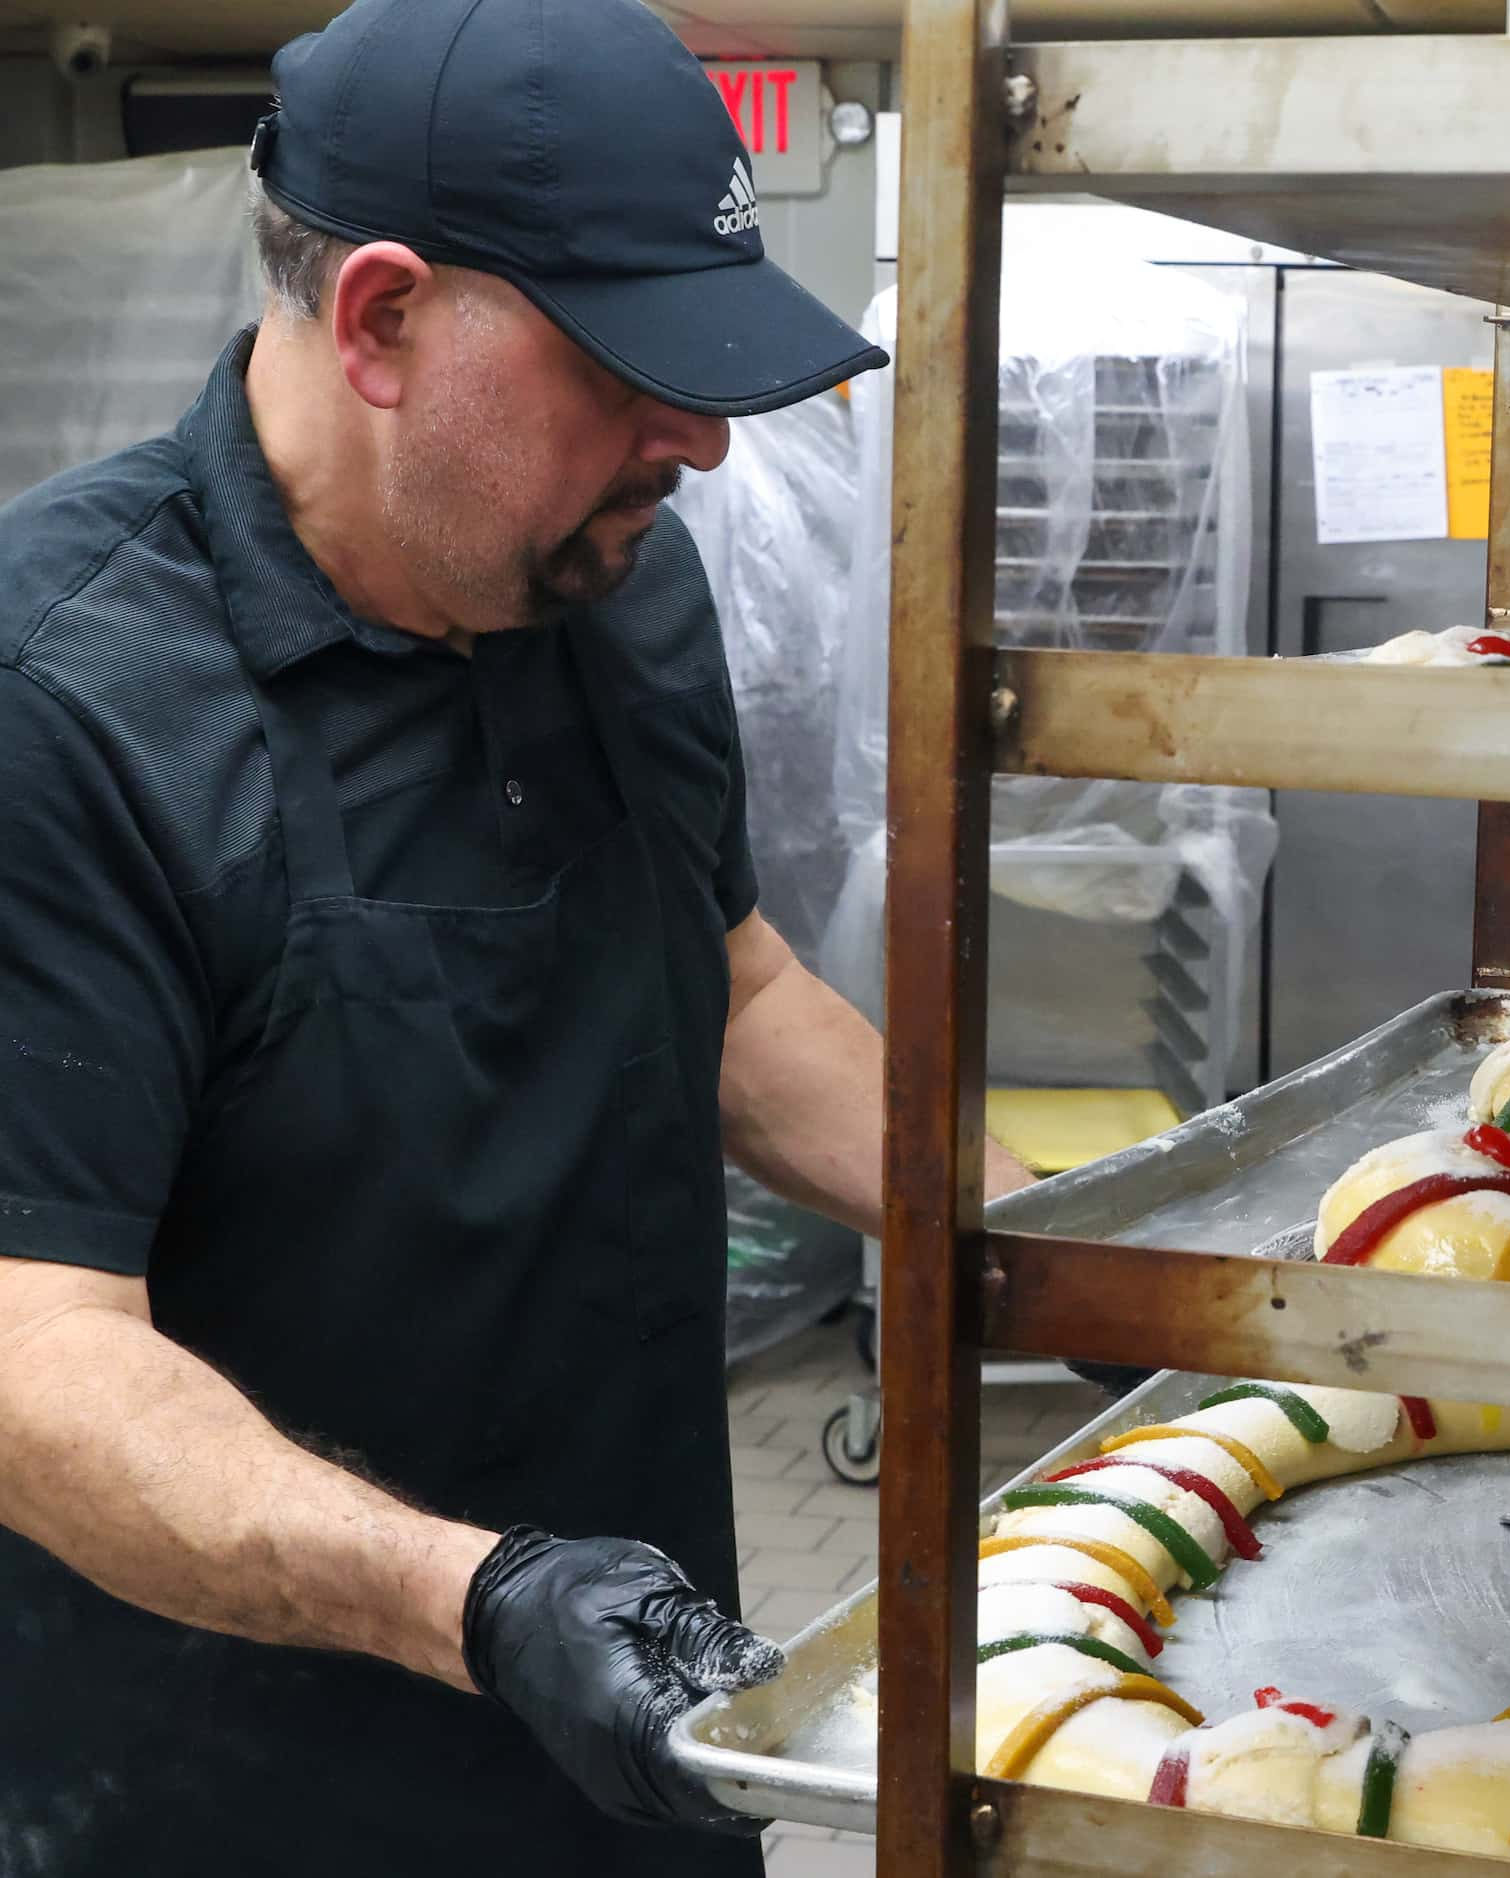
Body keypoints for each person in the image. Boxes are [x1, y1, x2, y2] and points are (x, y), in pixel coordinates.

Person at [0, 0, 1025, 1869]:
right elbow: (33, 1347)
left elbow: (731, 998)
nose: (700, 442)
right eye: (630, 369)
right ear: (382, 319)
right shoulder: (61, 704)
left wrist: (1054, 1240)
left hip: (643, 1739)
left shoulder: (614, 593)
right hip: (233, 1792)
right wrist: (480, 1603)